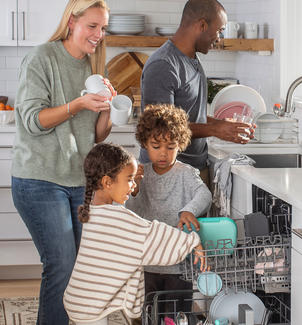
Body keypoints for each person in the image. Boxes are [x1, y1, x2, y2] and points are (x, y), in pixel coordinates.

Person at [11, 1, 113, 324]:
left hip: (77, 181)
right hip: (39, 179)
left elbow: (97, 135)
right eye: (92, 26)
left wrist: (107, 108)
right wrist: (79, 104)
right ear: (72, 22)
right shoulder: (42, 58)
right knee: (62, 264)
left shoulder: (95, 67)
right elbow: (31, 120)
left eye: (103, 28)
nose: (99, 35)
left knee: (79, 270)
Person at [63, 143, 206, 325]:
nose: (132, 186)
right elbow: (150, 233)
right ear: (108, 182)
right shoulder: (118, 217)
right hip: (91, 307)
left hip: (79, 298)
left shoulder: (91, 211)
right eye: (129, 179)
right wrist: (191, 241)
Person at [140, 0, 255, 185]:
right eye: (219, 30)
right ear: (202, 25)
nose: (219, 38)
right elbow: (160, 129)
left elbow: (187, 115)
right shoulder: (163, 65)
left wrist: (222, 124)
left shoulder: (192, 60)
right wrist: (215, 129)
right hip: (166, 176)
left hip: (193, 169)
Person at [126, 104, 212, 318]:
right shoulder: (139, 174)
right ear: (145, 144)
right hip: (148, 263)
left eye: (171, 146)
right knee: (149, 314)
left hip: (179, 265)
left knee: (177, 316)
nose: (163, 153)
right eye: (156, 146)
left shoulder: (186, 173)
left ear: (180, 145)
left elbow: (205, 195)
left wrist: (188, 210)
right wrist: (133, 190)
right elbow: (132, 212)